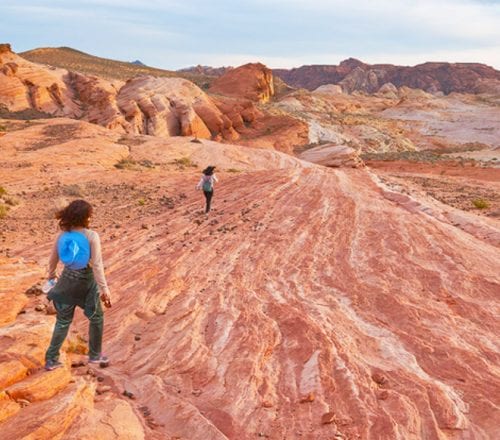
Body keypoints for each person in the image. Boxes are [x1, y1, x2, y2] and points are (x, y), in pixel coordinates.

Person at [44, 199, 112, 371]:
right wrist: (104, 289)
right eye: (90, 215)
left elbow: (53, 259)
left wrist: (52, 277)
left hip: (66, 280)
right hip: (86, 282)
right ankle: (95, 356)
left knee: (63, 321)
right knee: (96, 318)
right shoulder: (91, 236)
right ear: (85, 217)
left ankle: (51, 359)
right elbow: (96, 265)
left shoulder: (63, 235)